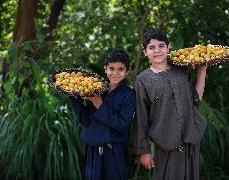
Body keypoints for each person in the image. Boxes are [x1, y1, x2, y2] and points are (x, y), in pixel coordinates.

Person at [133, 28, 207, 180]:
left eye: (161, 46)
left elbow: (196, 99)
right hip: (165, 143)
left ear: (168, 47)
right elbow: (141, 117)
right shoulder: (143, 80)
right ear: (145, 52)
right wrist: (144, 151)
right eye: (151, 47)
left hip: (190, 139)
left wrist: (202, 70)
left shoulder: (182, 70)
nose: (157, 51)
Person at [70, 49, 136, 180]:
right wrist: (74, 96)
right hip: (92, 151)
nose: (115, 73)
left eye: (120, 69)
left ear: (127, 71)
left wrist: (100, 105)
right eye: (111, 68)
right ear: (105, 68)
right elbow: (86, 121)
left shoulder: (129, 95)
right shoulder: (97, 90)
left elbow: (122, 124)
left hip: (113, 152)